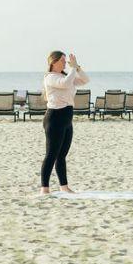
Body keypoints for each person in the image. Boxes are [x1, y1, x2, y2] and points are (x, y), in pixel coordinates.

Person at [39, 51, 90, 195]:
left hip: (67, 118)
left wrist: (77, 67)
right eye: (62, 60)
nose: (65, 63)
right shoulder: (50, 77)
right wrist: (73, 69)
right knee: (51, 154)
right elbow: (66, 83)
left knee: (62, 155)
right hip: (54, 118)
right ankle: (44, 189)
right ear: (53, 62)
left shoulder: (66, 75)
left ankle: (64, 187)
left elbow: (85, 80)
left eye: (65, 60)